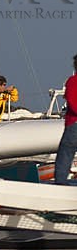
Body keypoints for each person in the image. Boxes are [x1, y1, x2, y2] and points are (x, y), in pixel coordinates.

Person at [56, 55, 77, 185]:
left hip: (74, 123)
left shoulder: (73, 81)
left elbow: (72, 102)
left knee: (66, 153)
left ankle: (60, 184)